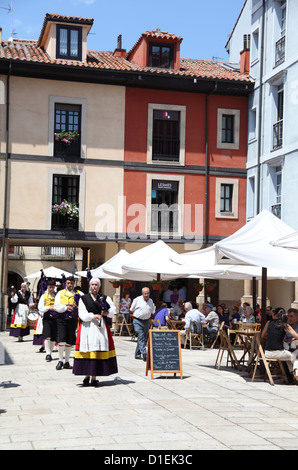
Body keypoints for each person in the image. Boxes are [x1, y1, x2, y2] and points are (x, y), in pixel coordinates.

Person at [73, 277, 117, 387]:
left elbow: (113, 309)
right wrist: (93, 316)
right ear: (89, 286)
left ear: (99, 286)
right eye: (92, 284)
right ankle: (87, 375)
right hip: (88, 327)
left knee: (97, 349)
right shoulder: (83, 299)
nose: (94, 287)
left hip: (100, 328)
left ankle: (94, 377)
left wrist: (107, 313)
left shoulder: (104, 298)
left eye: (96, 285)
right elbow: (82, 314)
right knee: (88, 349)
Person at [54, 276, 83, 370]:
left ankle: (67, 361)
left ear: (74, 284)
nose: (70, 285)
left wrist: (78, 306)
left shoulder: (78, 293)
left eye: (72, 283)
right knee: (61, 339)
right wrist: (66, 307)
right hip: (62, 319)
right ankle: (60, 360)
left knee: (70, 340)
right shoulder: (60, 293)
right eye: (68, 283)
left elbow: (84, 303)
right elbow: (56, 306)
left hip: (73, 319)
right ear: (65, 284)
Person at [262, 310, 298, 382]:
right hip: (279, 353)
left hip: (267, 353)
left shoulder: (269, 323)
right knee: (295, 356)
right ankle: (296, 371)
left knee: (289, 356)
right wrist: (293, 339)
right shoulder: (285, 325)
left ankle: (291, 374)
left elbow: (263, 336)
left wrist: (272, 338)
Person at [130, 287, 154, 361]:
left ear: (149, 294)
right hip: (137, 320)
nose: (146, 295)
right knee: (141, 336)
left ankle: (137, 354)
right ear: (142, 293)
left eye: (147, 293)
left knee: (143, 338)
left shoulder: (151, 301)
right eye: (145, 293)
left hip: (146, 321)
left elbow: (152, 311)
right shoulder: (137, 300)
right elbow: (131, 309)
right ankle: (144, 353)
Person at [38, 279, 57, 362]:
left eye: (52, 286)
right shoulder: (44, 296)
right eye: (50, 286)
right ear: (47, 287)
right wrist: (48, 307)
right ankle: (48, 354)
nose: (51, 288)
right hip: (47, 318)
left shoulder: (57, 295)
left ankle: (51, 352)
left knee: (54, 336)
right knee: (47, 336)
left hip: (55, 318)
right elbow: (40, 308)